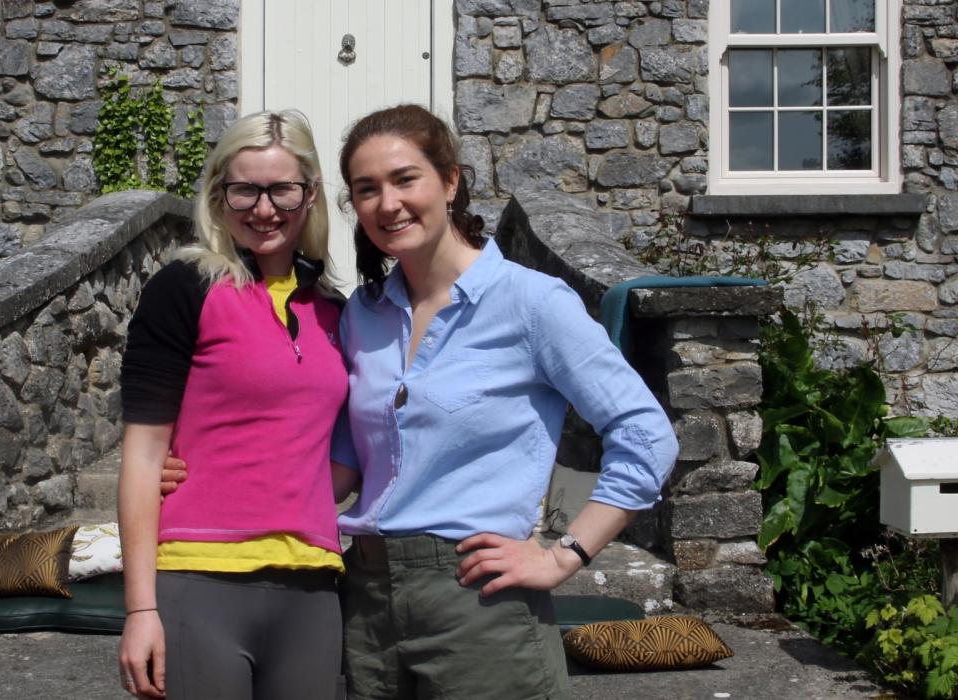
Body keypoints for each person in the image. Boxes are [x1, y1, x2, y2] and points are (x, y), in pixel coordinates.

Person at [329, 104, 679, 699]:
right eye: (367, 189)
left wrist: (564, 554)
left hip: (479, 602)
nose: (387, 204)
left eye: (404, 179)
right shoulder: (363, 314)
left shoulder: (532, 302)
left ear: (450, 179)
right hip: (363, 602)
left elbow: (646, 433)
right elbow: (346, 461)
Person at [116, 109, 349, 700]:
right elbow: (142, 458)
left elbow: (343, 452)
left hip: (313, 583)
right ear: (219, 195)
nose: (264, 209)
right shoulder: (184, 289)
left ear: (311, 194)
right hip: (200, 578)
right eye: (244, 189)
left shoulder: (334, 311)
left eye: (282, 190)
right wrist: (140, 608)